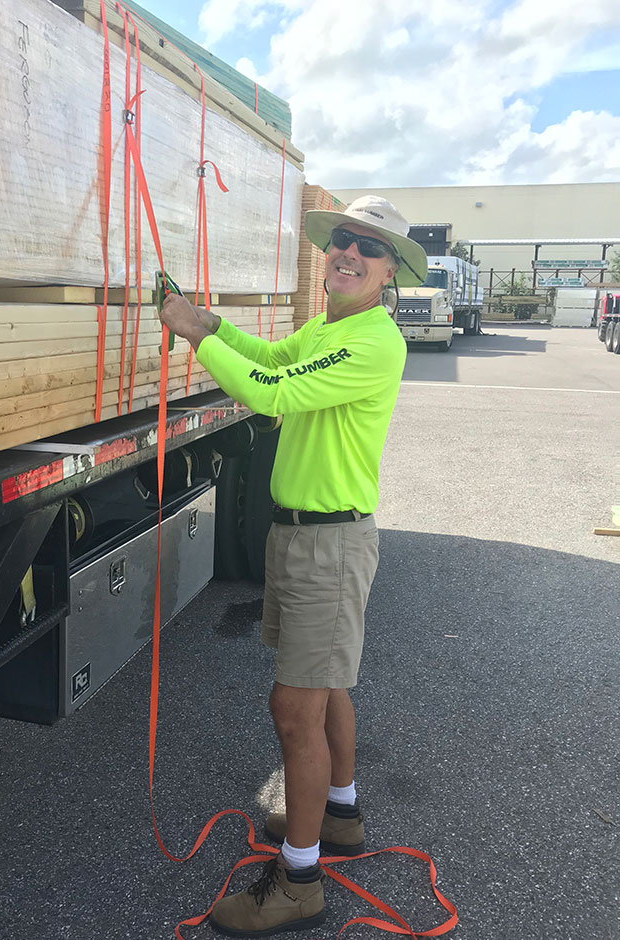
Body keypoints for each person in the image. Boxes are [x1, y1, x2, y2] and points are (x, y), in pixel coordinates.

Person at [159, 195, 427, 937]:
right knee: (324, 687)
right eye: (341, 239)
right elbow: (275, 358)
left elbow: (271, 394)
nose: (347, 253)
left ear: (390, 272)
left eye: (368, 249)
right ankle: (338, 816)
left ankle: (299, 880)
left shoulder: (375, 341)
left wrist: (194, 340)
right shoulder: (330, 326)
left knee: (294, 710)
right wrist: (213, 325)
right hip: (301, 537)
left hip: (330, 547)